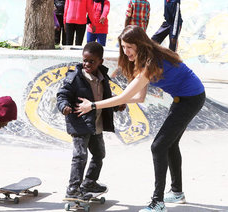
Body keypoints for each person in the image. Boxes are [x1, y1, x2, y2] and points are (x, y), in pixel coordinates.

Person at [75, 25, 205, 212]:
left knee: (159, 146)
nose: (125, 51)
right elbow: (139, 97)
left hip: (191, 99)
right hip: (182, 98)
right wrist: (122, 103)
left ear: (140, 45)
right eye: (123, 47)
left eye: (129, 47)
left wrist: (93, 105)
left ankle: (158, 203)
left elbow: (123, 96)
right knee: (170, 144)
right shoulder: (142, 59)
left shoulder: (151, 62)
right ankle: (177, 192)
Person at [57, 42, 126, 199]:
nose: (87, 64)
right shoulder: (74, 77)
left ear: (100, 61)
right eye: (85, 60)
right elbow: (62, 94)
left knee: (99, 154)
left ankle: (89, 182)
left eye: (91, 61)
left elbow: (105, 99)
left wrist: (116, 105)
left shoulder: (102, 77)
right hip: (80, 123)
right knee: (80, 156)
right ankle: (73, 188)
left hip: (97, 125)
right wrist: (64, 106)